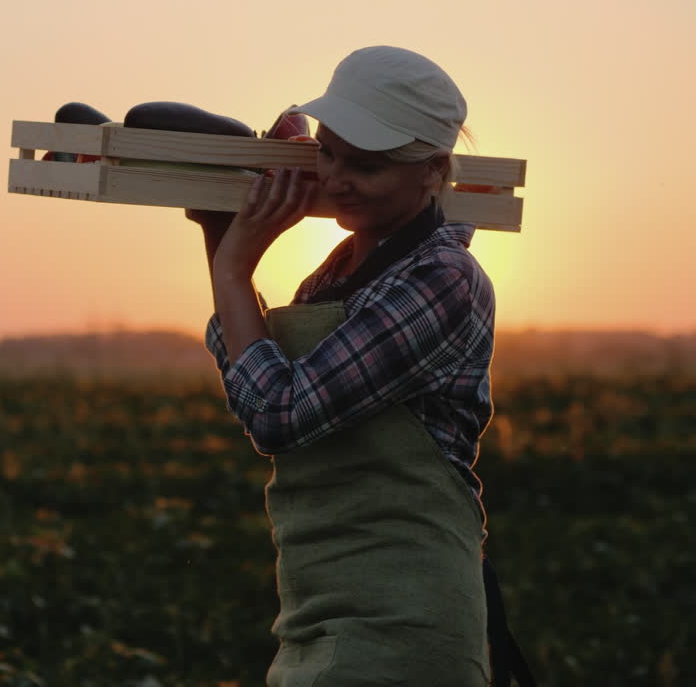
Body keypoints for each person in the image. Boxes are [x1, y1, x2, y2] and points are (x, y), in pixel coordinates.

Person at [189, 46, 501, 685]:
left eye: (366, 166)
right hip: (316, 606)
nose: (335, 179)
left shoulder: (442, 279)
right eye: (327, 153)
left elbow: (280, 415)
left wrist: (233, 266)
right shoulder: (340, 268)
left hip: (404, 618)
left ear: (433, 172)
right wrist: (219, 236)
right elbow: (256, 383)